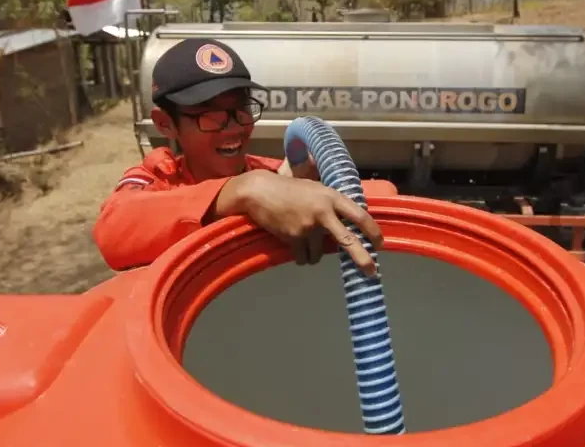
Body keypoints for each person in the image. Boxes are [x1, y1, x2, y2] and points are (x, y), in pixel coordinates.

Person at [93, 38, 396, 274]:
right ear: (166, 124)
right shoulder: (157, 178)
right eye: (209, 116)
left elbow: (384, 196)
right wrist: (240, 192)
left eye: (241, 110)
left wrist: (316, 186)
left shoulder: (271, 174)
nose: (234, 129)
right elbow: (114, 230)